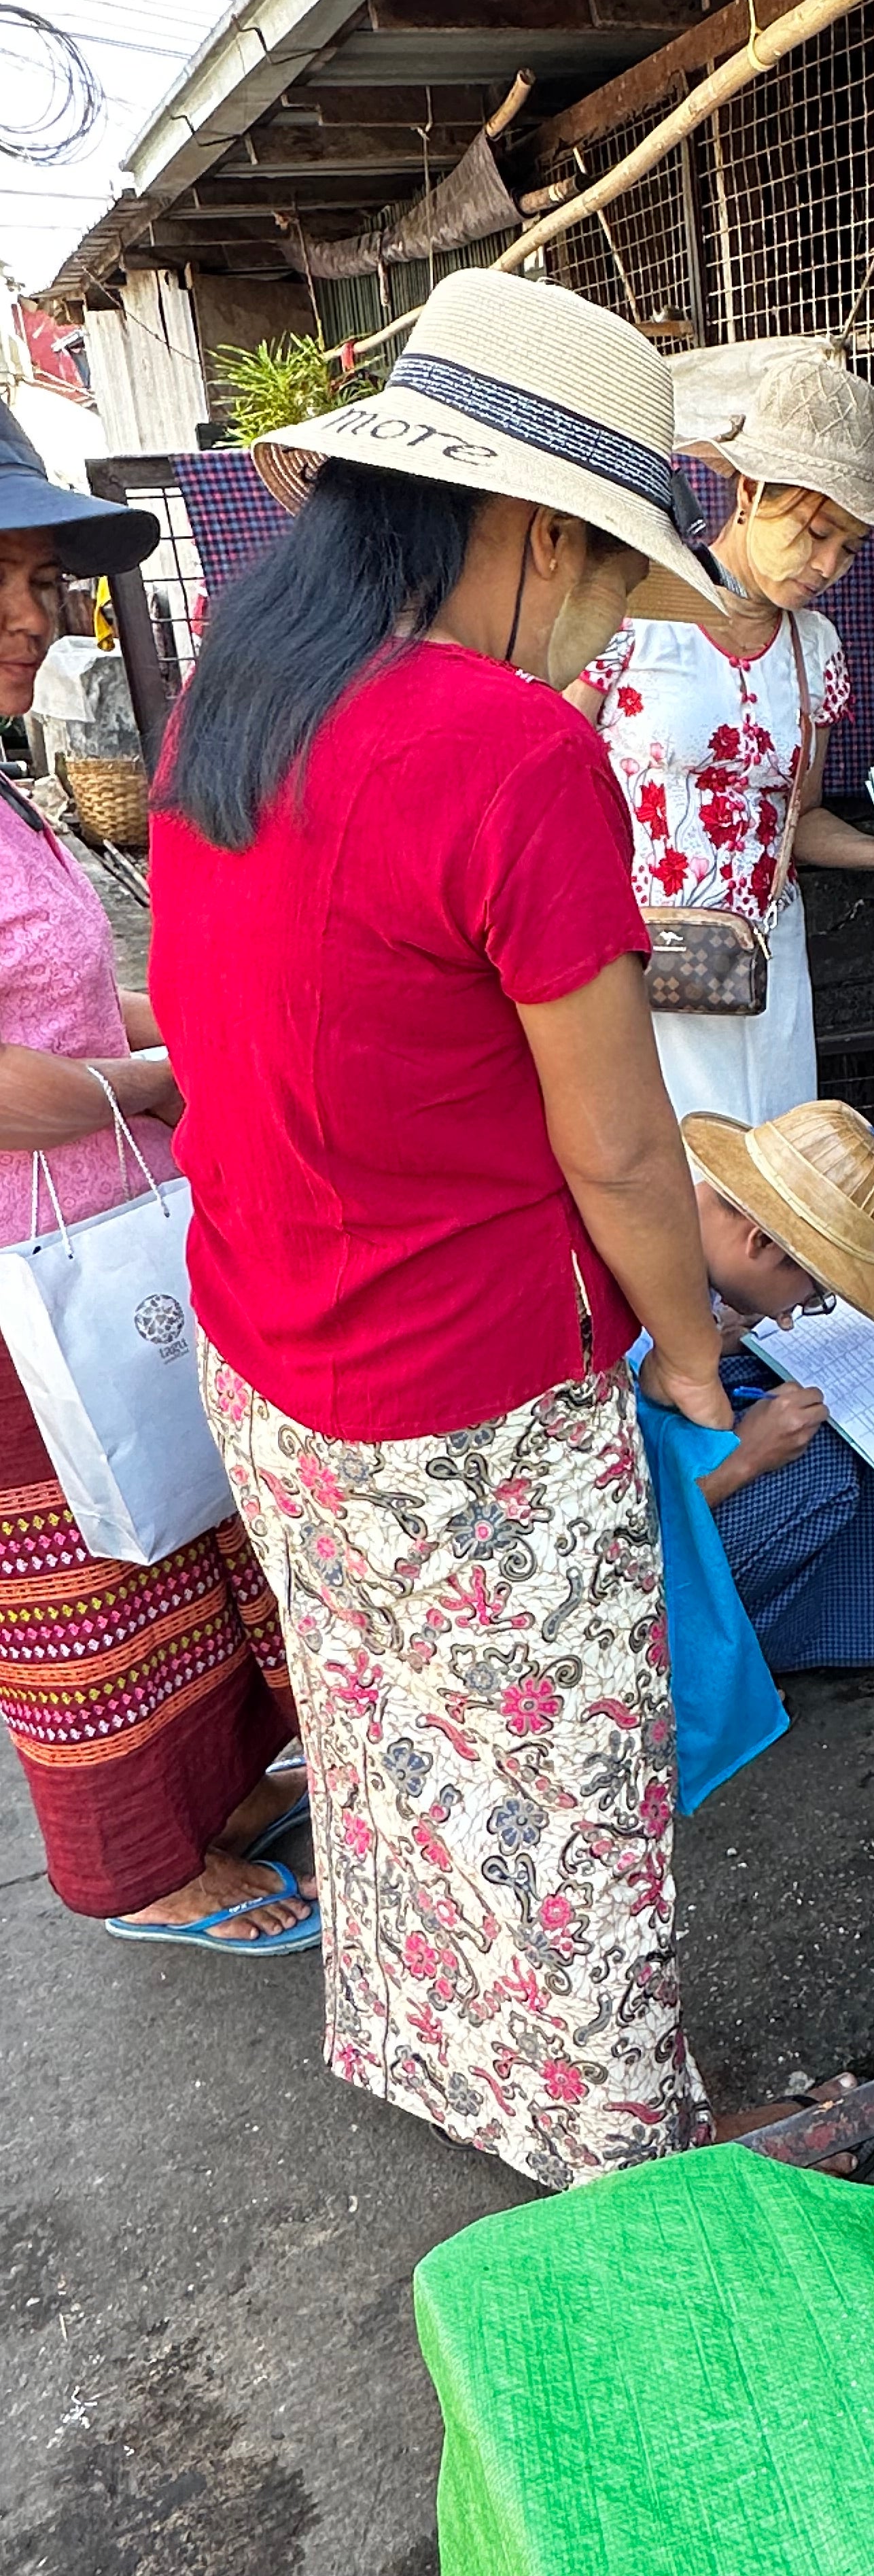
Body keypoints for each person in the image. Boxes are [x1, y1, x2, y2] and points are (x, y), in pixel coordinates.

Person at [148, 271, 748, 2189]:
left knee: (390, 1752)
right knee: (562, 1801)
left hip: (270, 1351)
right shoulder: (508, 753)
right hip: (472, 1397)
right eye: (595, 582)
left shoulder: (231, 695)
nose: (588, 637)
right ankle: (611, 2161)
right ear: (532, 534)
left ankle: (426, 2054)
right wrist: (690, 1347)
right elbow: (626, 1153)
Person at [0, 410, 313, 1950]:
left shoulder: (3, 788)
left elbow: (57, 999)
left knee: (181, 1528)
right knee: (87, 1599)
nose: (28, 619)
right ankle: (134, 1867)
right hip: (19, 1288)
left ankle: (228, 1793)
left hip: (93, 1233)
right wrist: (171, 1078)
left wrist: (195, 1009)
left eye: (38, 577)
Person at [565, 353, 874, 1126]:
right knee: (669, 1186)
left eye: (851, 547)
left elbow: (804, 818)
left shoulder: (814, 648)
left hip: (765, 965)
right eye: (815, 530)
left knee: (772, 1186)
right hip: (636, 959)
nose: (827, 564)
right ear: (749, 492)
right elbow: (543, 769)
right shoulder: (633, 617)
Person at [685, 1099, 874, 1672]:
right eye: (814, 1294)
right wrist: (744, 1460)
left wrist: (719, 1339)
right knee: (827, 1465)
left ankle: (832, 1635)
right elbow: (609, 1526)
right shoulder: (618, 1312)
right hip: (603, 1564)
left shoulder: (670, 1233)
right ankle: (704, 1671)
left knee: (812, 1403)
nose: (793, 1316)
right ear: (760, 1243)